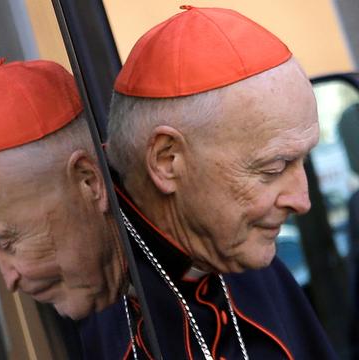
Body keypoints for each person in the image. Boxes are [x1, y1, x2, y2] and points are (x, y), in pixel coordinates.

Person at [78, 6, 337, 360]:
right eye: (275, 166)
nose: (301, 200)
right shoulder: (81, 296)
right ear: (167, 160)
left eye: (303, 160)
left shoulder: (248, 252)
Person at [0, 59, 128, 321]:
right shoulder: (91, 320)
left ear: (88, 182)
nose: (9, 280)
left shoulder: (199, 253)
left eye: (8, 243)